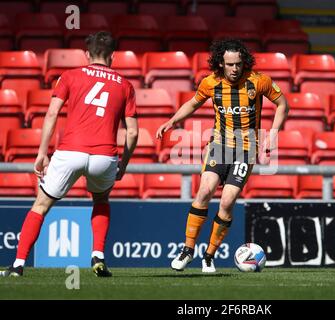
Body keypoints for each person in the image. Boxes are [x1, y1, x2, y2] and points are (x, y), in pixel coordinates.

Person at [0, 31, 138, 277]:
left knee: (41, 206)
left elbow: (52, 114)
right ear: (113, 57)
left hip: (70, 151)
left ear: (87, 55)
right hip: (104, 156)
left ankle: (18, 265)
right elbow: (133, 133)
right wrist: (123, 164)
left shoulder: (70, 76)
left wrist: (42, 153)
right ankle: (98, 255)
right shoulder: (125, 85)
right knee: (101, 200)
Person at [156, 38, 289, 273]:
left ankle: (208, 256)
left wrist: (273, 134)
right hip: (219, 145)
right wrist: (173, 121)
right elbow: (193, 103)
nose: (235, 69)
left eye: (238, 63)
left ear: (244, 62)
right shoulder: (211, 83)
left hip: (246, 150)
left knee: (227, 201)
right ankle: (187, 250)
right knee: (205, 190)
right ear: (221, 63)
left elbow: (282, 104)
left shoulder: (259, 81)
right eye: (230, 64)